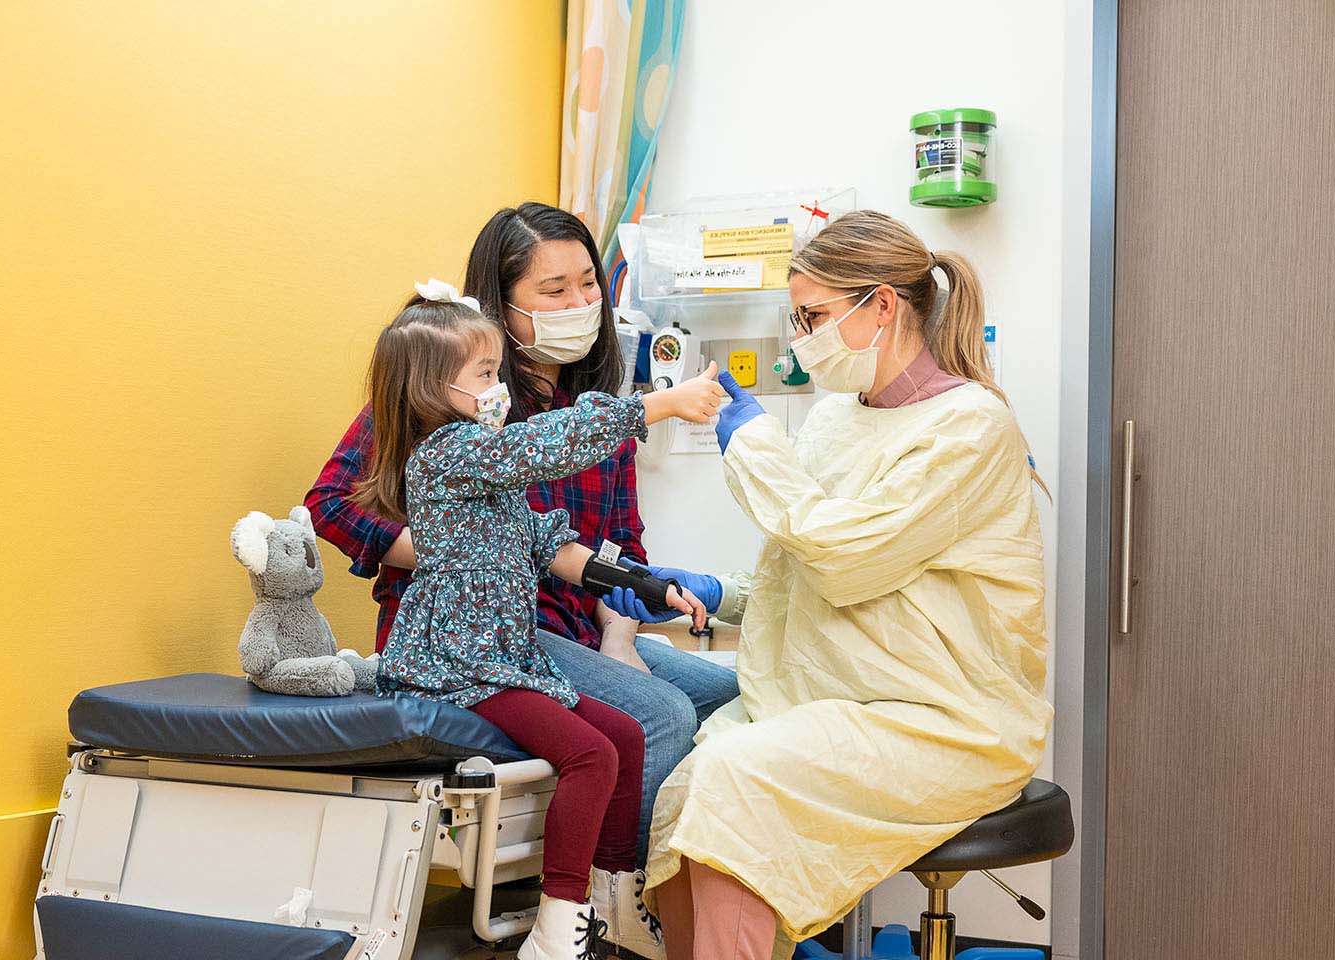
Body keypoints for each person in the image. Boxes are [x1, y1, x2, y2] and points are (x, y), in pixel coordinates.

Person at [308, 202, 740, 960]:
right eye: (553, 291)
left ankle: (659, 890)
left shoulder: (582, 407)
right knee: (663, 715)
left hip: (572, 626)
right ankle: (611, 907)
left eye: (587, 288)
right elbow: (331, 503)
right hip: (477, 635)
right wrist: (453, 548)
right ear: (501, 307)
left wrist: (625, 622)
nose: (579, 306)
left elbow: (597, 544)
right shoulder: (453, 400)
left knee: (726, 695)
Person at [644, 210, 1054, 960]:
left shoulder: (969, 427)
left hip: (944, 715)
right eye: (795, 317)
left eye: (815, 316)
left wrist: (758, 452)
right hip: (833, 697)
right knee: (683, 794)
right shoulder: (836, 418)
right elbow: (800, 561)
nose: (802, 337)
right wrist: (714, 590)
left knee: (735, 782)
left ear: (884, 305)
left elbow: (847, 558)